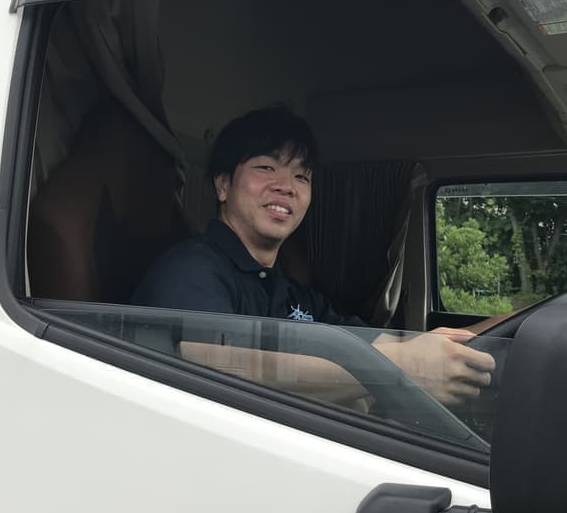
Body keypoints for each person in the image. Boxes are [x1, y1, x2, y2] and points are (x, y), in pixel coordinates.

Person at [132, 105, 495, 409]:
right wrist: (397, 368)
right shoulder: (190, 268)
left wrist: (473, 341)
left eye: (301, 177)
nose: (286, 186)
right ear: (223, 185)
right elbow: (216, 363)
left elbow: (374, 344)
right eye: (266, 167)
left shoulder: (290, 292)